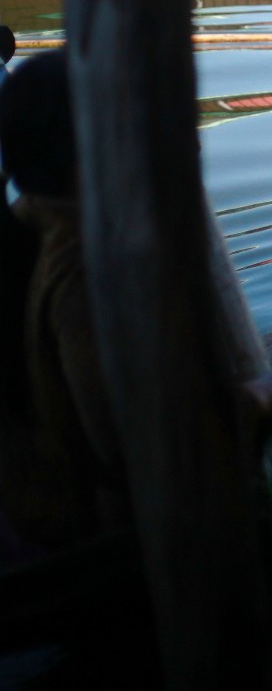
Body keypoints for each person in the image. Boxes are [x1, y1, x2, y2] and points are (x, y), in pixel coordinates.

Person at [0, 49, 125, 549]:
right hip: (85, 527)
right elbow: (123, 443)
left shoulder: (25, 224)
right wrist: (251, 404)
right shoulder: (78, 269)